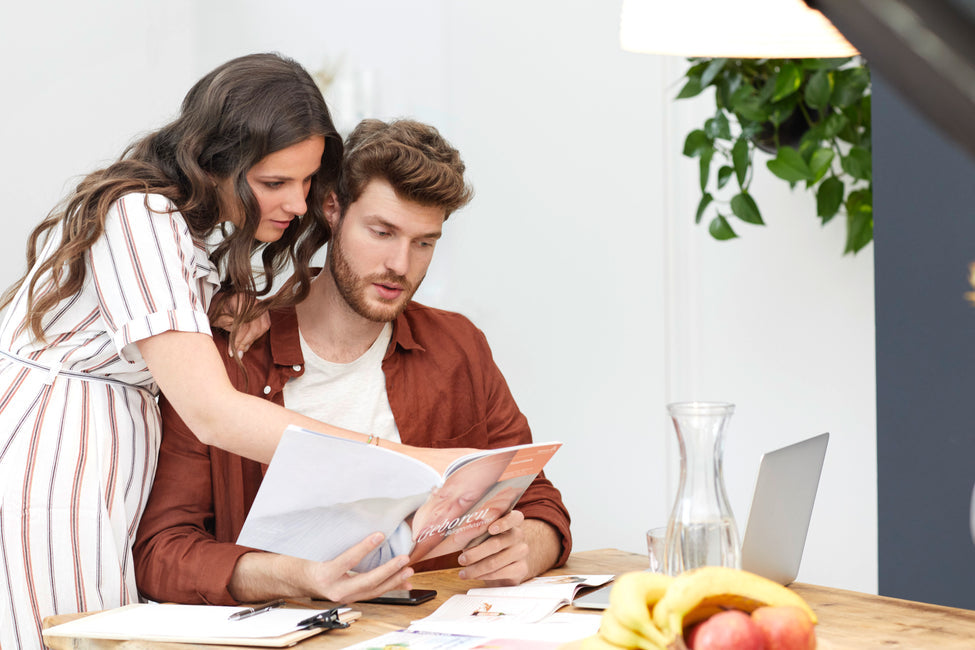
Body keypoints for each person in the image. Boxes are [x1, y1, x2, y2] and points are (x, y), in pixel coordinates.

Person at [0, 55, 456, 650]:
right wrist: (405, 461)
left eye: (306, 181)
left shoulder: (182, 227)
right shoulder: (142, 213)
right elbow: (215, 414)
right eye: (273, 183)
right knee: (61, 636)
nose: (297, 203)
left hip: (107, 446)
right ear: (216, 160)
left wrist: (214, 307)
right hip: (56, 450)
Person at [133, 118, 572, 606]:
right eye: (382, 232)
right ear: (332, 209)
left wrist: (529, 546)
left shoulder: (458, 345)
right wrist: (298, 577)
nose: (401, 266)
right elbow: (161, 553)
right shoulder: (231, 355)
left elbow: (538, 501)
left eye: (424, 242)